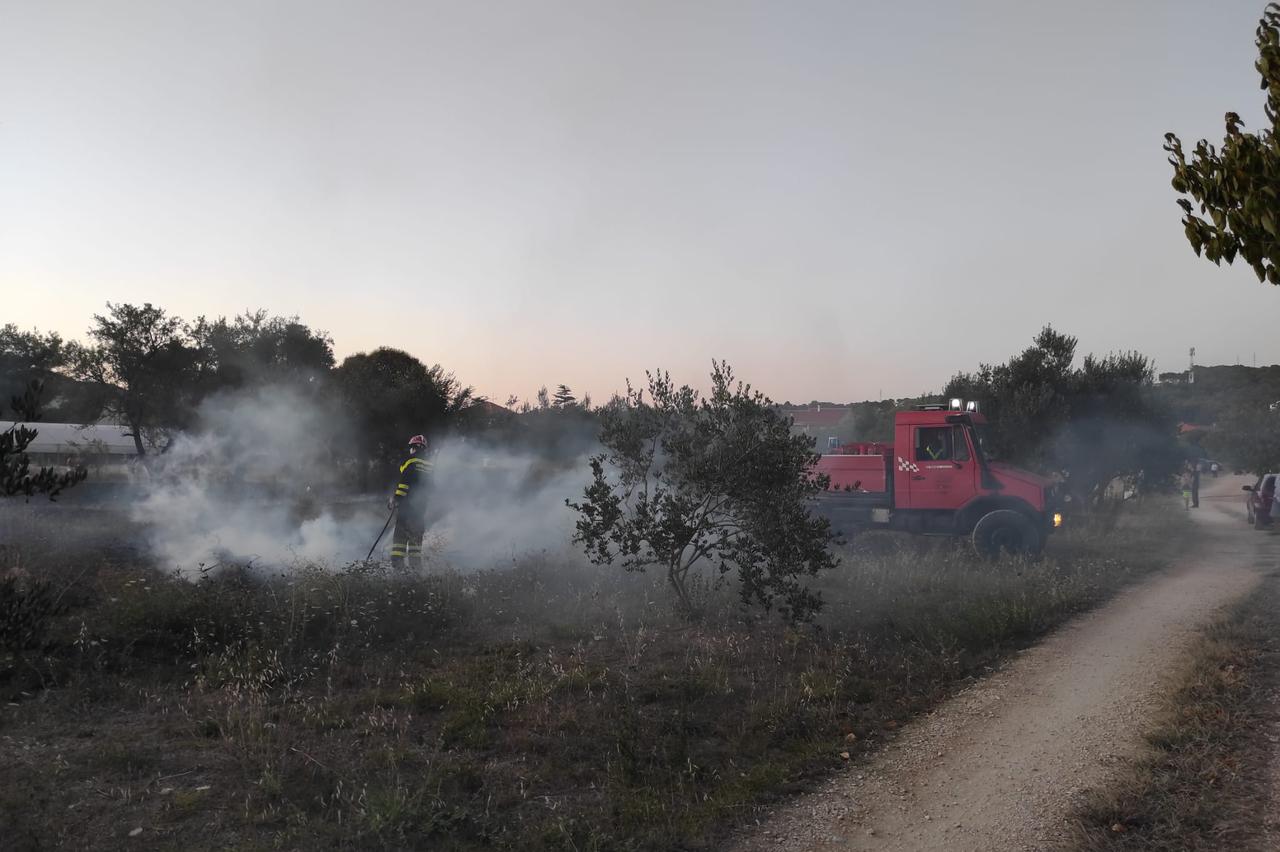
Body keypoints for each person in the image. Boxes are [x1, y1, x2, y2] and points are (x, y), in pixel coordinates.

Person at [388, 434, 432, 569]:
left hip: (406, 511)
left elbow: (404, 483)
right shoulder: (430, 466)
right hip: (419, 513)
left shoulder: (411, 461)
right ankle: (415, 577)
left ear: (413, 448)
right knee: (415, 549)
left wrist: (396, 499)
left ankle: (398, 574)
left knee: (398, 545)